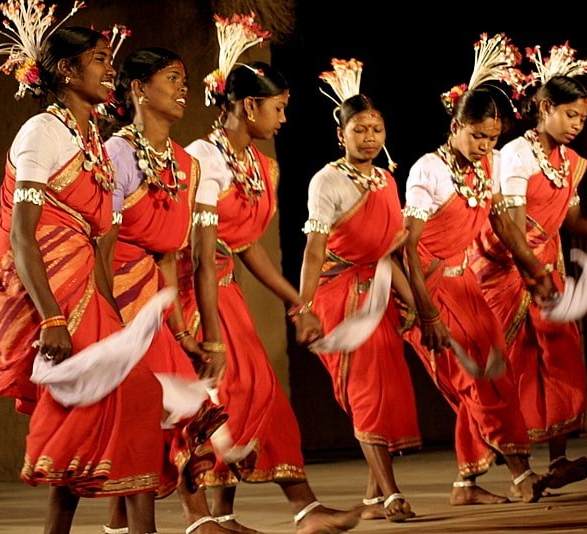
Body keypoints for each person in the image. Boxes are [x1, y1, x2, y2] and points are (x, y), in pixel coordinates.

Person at [0, 5, 164, 532]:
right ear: (66, 71)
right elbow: (22, 232)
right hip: (53, 293)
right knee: (123, 397)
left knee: (116, 402)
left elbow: (99, 243)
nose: (111, 70)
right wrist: (52, 319)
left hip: (87, 292)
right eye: (100, 59)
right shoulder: (42, 131)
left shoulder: (95, 146)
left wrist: (116, 320)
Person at [176, 13, 362, 534]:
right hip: (192, 293)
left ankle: (245, 515)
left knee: (255, 394)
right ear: (248, 105)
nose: (284, 118)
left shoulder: (259, 165)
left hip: (222, 288)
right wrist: (208, 331)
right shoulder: (202, 159)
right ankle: (212, 520)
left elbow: (247, 246)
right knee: (222, 399)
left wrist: (296, 301)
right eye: (278, 108)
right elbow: (199, 255)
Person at [473, 43, 587, 493]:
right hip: (506, 269)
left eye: (582, 119)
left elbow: (569, 221)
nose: (577, 126)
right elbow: (507, 225)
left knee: (559, 359)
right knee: (516, 366)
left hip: (546, 265)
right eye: (570, 116)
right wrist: (534, 272)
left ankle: (559, 459)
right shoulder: (515, 155)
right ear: (544, 108)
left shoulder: (568, 163)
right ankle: (517, 469)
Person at [402, 34, 554, 505]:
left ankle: (466, 485)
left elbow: (502, 225)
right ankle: (522, 473)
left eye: (492, 138)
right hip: (425, 289)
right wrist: (425, 313)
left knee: (493, 373)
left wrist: (532, 268)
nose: (485, 145)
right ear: (454, 126)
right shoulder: (428, 170)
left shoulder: (485, 167)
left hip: (465, 285)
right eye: (476, 135)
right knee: (475, 380)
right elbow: (405, 247)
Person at [99, 47, 229, 534]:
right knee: (150, 407)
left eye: (184, 79)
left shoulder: (185, 163)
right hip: (116, 293)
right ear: (138, 89)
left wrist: (181, 330)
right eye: (172, 78)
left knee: (172, 404)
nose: (182, 89)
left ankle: (119, 525)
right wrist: (108, 322)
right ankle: (195, 521)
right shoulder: (115, 153)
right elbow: (103, 244)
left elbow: (171, 256)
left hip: (154, 297)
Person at [297, 58, 421, 522]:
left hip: (380, 292)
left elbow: (389, 252)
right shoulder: (326, 181)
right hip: (339, 296)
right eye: (360, 130)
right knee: (367, 392)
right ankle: (390, 493)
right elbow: (314, 250)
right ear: (341, 135)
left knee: (384, 392)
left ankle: (372, 496)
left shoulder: (387, 180)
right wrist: (304, 305)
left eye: (377, 129)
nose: (370, 138)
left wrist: (415, 306)